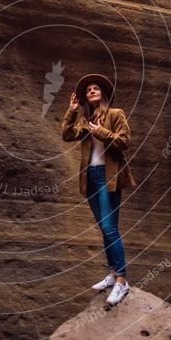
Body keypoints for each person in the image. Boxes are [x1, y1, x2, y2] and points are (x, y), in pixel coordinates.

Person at [61, 73, 137, 306]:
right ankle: (113, 274)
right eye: (88, 90)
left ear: (103, 93)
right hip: (92, 177)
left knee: (109, 227)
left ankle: (122, 281)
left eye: (95, 88)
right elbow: (66, 135)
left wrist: (101, 132)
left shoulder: (115, 114)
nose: (91, 91)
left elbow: (125, 142)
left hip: (109, 176)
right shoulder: (85, 119)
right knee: (105, 229)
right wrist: (73, 110)